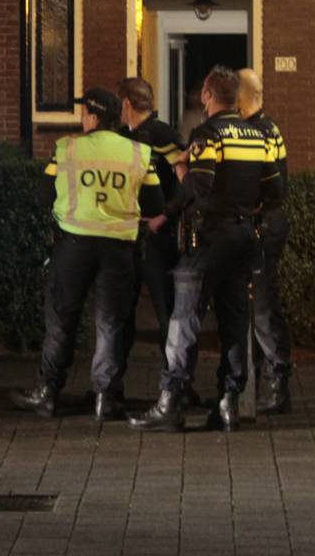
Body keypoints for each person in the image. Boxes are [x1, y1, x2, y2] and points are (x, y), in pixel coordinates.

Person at [128, 65, 282, 433]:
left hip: (209, 241)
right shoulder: (259, 136)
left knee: (184, 321)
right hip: (244, 240)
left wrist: (181, 169)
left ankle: (170, 402)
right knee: (234, 322)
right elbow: (275, 194)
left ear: (208, 96)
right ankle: (229, 402)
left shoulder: (207, 134)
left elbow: (200, 187)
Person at [10, 88, 163, 420]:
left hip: (74, 244)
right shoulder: (138, 153)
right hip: (119, 248)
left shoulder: (67, 149)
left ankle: (48, 392)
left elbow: (42, 193)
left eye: (84, 113)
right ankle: (106, 398)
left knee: (62, 319)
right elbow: (154, 204)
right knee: (110, 323)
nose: (81, 118)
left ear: (93, 116)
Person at [114, 76, 189, 401]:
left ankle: (176, 388)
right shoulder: (122, 137)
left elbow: (185, 180)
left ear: (127, 104)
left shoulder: (163, 136)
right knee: (121, 313)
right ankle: (113, 387)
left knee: (164, 312)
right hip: (130, 237)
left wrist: (166, 216)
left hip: (156, 239)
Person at [238, 67, 293, 414]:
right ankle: (263, 379)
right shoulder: (269, 129)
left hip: (263, 224)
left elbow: (271, 186)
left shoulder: (258, 133)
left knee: (260, 306)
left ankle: (275, 382)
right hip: (269, 222)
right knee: (262, 302)